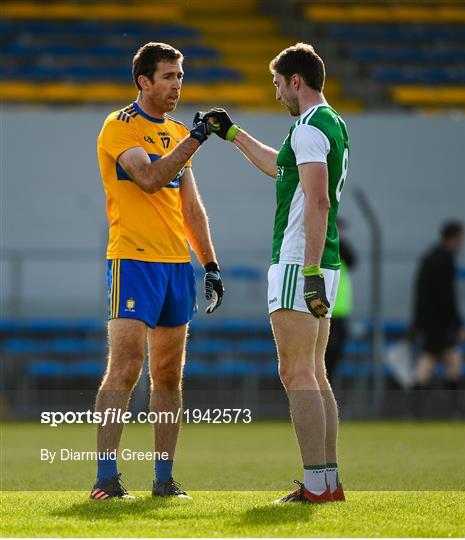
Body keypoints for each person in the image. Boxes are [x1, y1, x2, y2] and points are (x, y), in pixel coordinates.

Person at [204, 43, 349, 504]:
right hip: (322, 262)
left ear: (296, 82)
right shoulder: (330, 123)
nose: (276, 94)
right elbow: (278, 166)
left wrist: (305, 270)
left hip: (298, 262)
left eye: (277, 85)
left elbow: (319, 200)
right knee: (315, 373)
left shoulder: (308, 128)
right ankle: (328, 483)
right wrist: (231, 134)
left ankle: (315, 485)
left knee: (295, 373)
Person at [92, 42, 224, 500]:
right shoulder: (119, 126)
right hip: (132, 260)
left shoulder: (175, 132)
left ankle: (164, 480)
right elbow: (148, 179)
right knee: (126, 367)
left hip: (175, 268)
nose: (177, 86)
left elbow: (190, 207)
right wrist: (196, 138)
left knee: (168, 376)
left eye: (180, 77)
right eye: (168, 77)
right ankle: (106, 479)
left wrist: (209, 264)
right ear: (144, 82)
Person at [411, 221, 465, 416]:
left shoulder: (428, 259)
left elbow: (419, 294)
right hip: (440, 325)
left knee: (437, 361)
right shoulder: (445, 261)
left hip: (428, 323)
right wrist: (458, 323)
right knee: (443, 361)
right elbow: (447, 297)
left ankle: (417, 409)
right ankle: (453, 408)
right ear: (453, 237)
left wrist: (417, 322)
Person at [325, 218, 357, 382]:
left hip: (340, 308)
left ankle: (328, 383)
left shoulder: (341, 248)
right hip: (324, 308)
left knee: (337, 350)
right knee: (326, 350)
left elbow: (353, 261)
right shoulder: (322, 246)